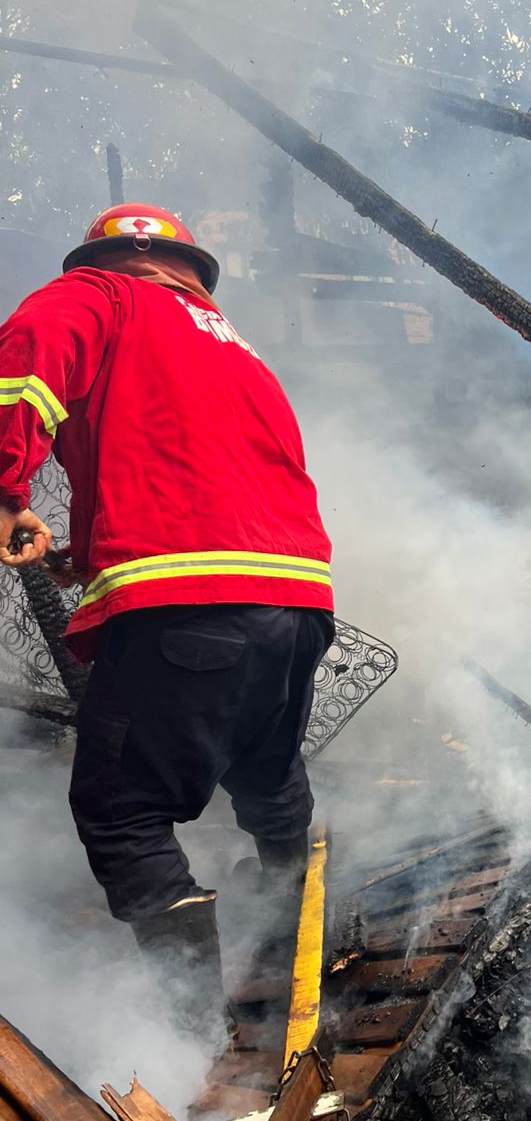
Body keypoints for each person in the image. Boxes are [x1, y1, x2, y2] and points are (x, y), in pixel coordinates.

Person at [0, 204, 334, 1036]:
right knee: (264, 763)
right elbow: (189, 473)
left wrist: (6, 491)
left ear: (109, 258)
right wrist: (93, 551)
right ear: (189, 269)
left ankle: (190, 1033)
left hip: (190, 605)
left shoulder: (97, 296)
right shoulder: (231, 344)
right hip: (297, 600)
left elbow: (21, 372)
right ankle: (296, 930)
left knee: (120, 809)